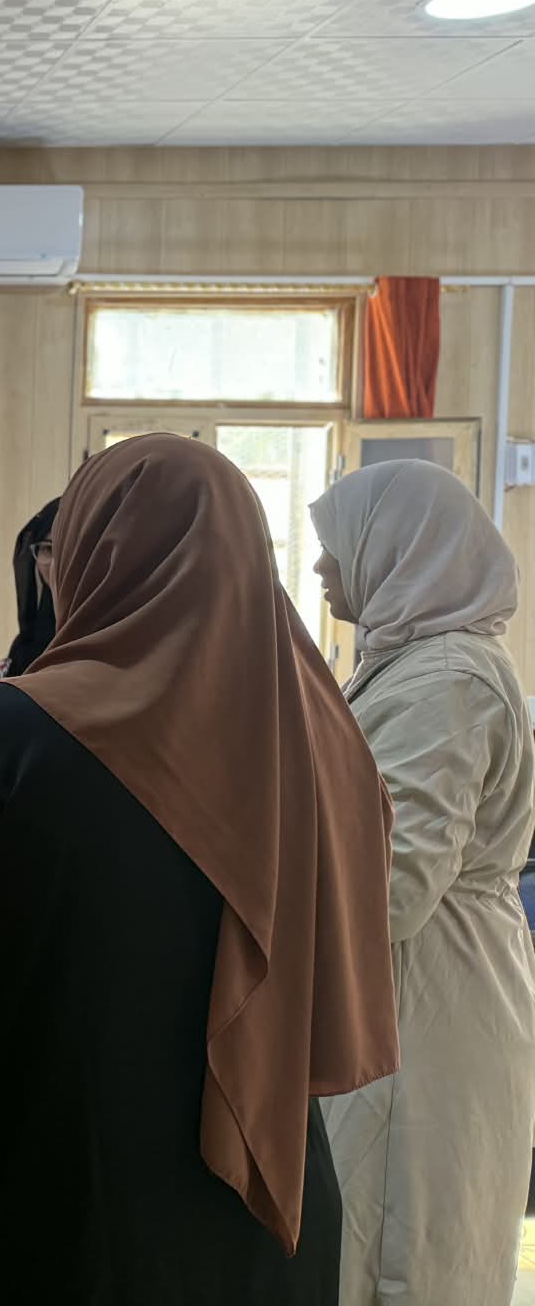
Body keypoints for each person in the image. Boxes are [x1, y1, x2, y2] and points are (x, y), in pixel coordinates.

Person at [0, 434, 398, 1306]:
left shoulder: (2, 737)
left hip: (47, 1190)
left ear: (95, 551)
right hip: (258, 1184)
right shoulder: (323, 739)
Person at [310, 460, 535, 1306]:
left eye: (338, 546)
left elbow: (395, 886)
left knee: (404, 1241)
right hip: (423, 977)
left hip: (429, 988)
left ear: (397, 550)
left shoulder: (445, 681)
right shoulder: (415, 664)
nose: (322, 565)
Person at [0, 496, 58, 678]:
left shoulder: (106, 635)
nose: (55, 565)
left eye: (65, 549)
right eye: (48, 549)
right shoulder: (26, 643)